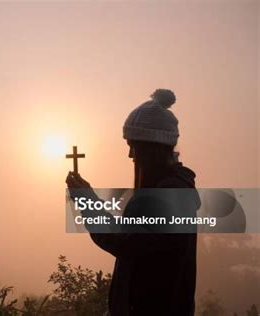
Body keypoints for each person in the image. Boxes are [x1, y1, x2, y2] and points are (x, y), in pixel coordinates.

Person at [66, 89, 200, 316]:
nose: (130, 155)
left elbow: (123, 240)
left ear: (152, 149)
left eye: (133, 146)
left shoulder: (166, 196)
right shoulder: (174, 189)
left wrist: (87, 201)